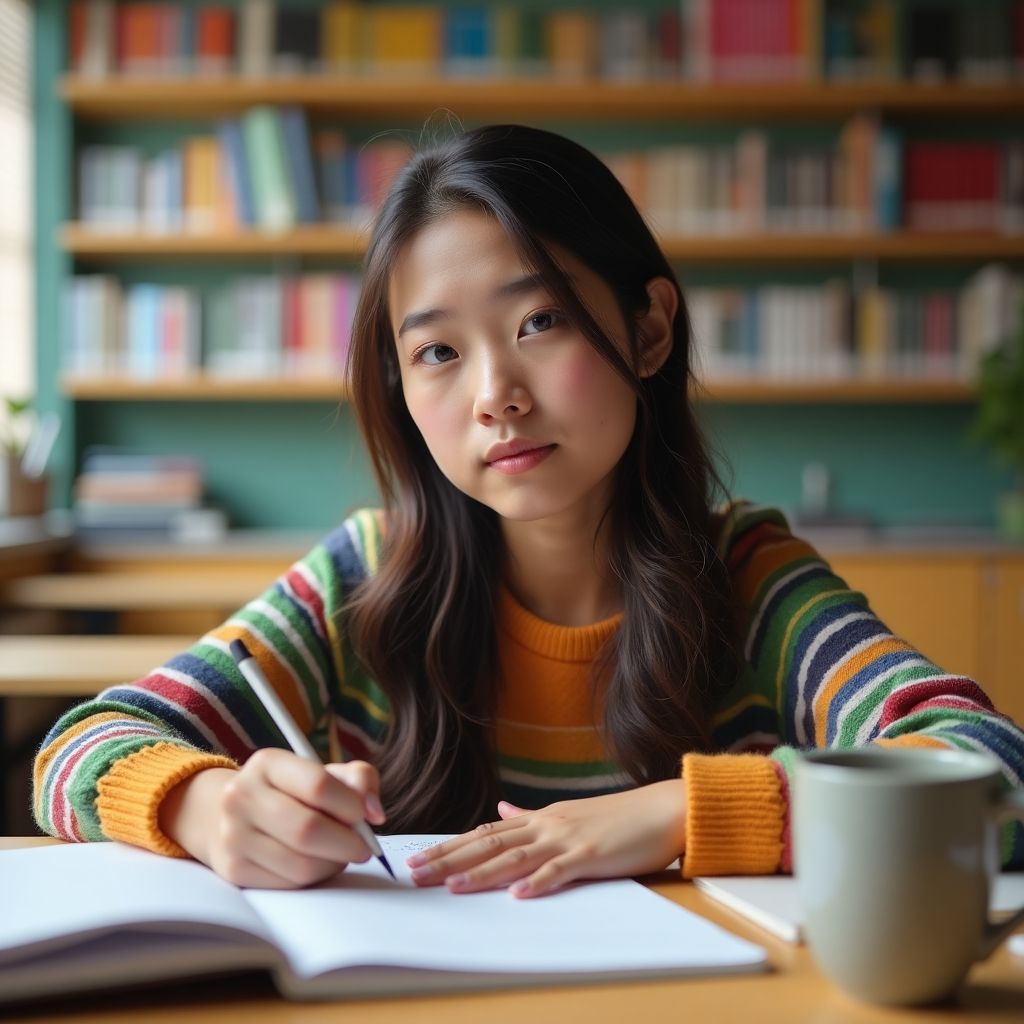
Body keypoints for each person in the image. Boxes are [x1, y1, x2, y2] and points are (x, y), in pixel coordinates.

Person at [34, 124, 1024, 896]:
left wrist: (678, 809)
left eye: (539, 321)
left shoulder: (749, 580)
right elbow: (77, 748)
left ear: (647, 328)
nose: (494, 393)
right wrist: (209, 808)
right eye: (438, 351)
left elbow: (988, 770)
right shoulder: (363, 576)